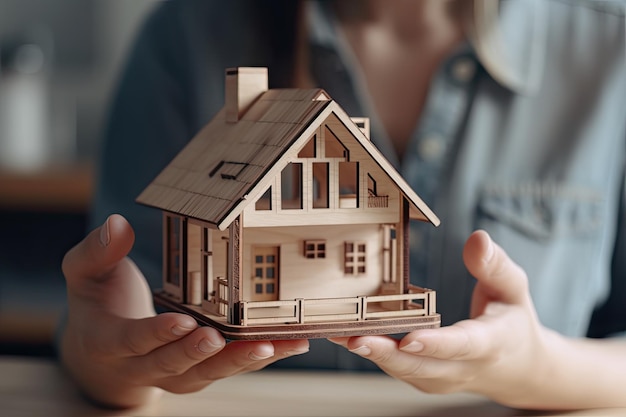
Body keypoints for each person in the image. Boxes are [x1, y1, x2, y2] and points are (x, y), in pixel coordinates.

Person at [59, 0, 626, 410]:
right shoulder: (186, 36)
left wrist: (540, 368)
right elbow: (109, 326)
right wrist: (105, 362)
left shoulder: (610, 46)